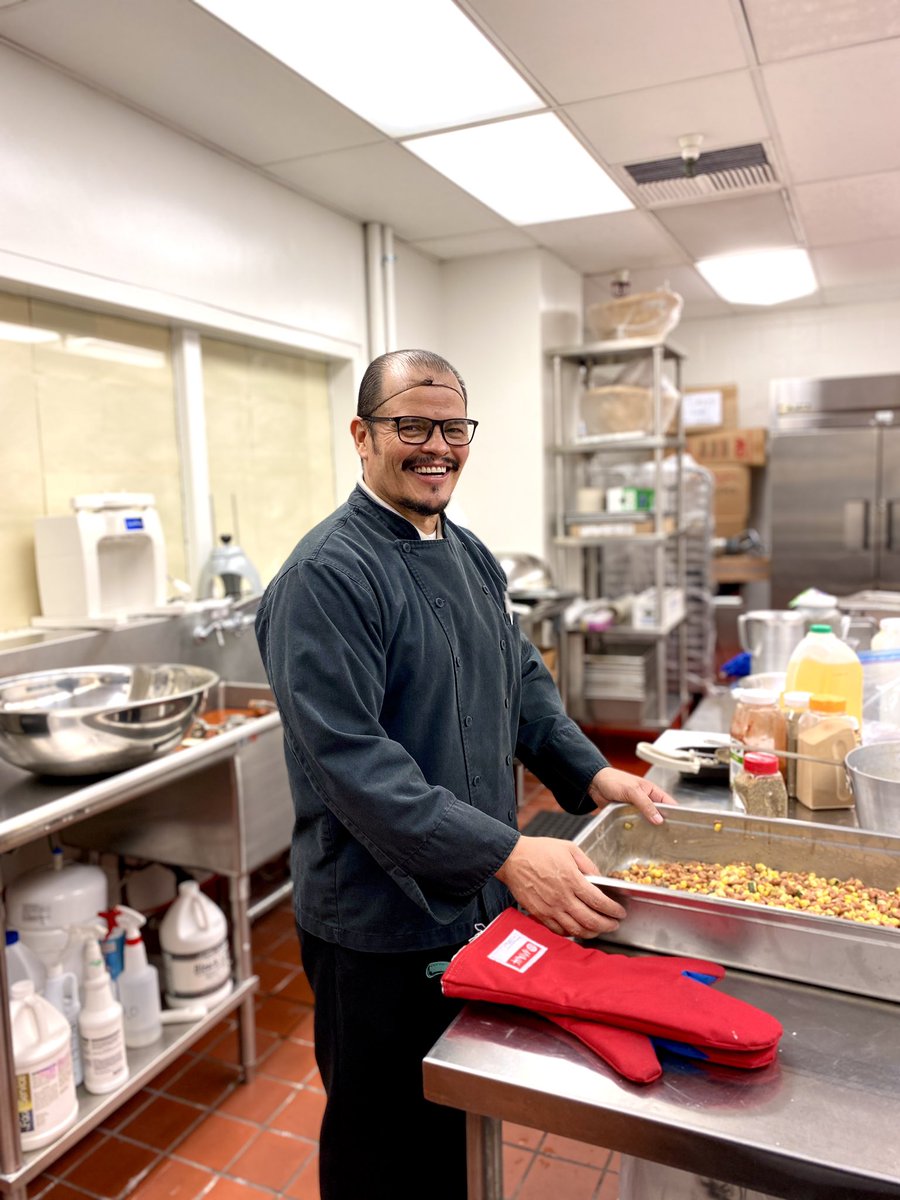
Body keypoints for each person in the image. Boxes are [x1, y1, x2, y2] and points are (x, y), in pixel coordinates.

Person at [255, 348, 675, 1200]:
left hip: (470, 896)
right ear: (362, 436)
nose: (435, 445)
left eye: (453, 427)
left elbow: (520, 682)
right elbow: (352, 764)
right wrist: (507, 855)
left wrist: (593, 777)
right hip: (372, 920)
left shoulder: (472, 554)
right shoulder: (325, 577)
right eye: (411, 425)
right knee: (381, 1142)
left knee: (451, 1109)